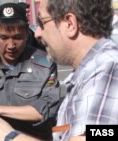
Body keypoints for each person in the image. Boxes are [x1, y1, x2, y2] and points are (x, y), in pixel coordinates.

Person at [0, 2, 61, 140]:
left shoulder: (45, 64)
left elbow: (46, 110)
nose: (11, 45)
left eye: (17, 37)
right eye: (4, 38)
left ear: (26, 33)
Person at [34, 0, 117, 140]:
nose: (37, 33)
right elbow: (68, 132)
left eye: (42, 22)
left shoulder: (107, 68)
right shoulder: (86, 74)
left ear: (70, 24)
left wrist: (9, 136)